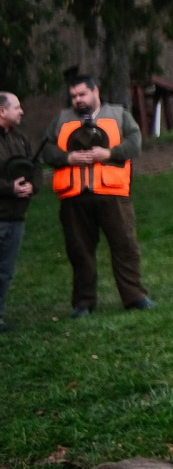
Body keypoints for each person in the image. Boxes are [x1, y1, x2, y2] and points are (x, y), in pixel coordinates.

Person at [42, 75, 156, 317]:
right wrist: (68, 158)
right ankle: (83, 303)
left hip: (112, 193)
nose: (77, 100)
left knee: (125, 246)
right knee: (79, 250)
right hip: (74, 196)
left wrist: (109, 153)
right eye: (74, 96)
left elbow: (135, 144)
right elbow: (47, 150)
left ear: (96, 91)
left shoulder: (119, 114)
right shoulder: (61, 119)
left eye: (82, 94)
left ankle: (135, 296)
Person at [0, 92, 38, 332]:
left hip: (16, 218)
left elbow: (35, 167)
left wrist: (33, 186)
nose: (21, 111)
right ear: (2, 111)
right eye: (17, 107)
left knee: (5, 272)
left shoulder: (21, 139)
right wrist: (9, 188)